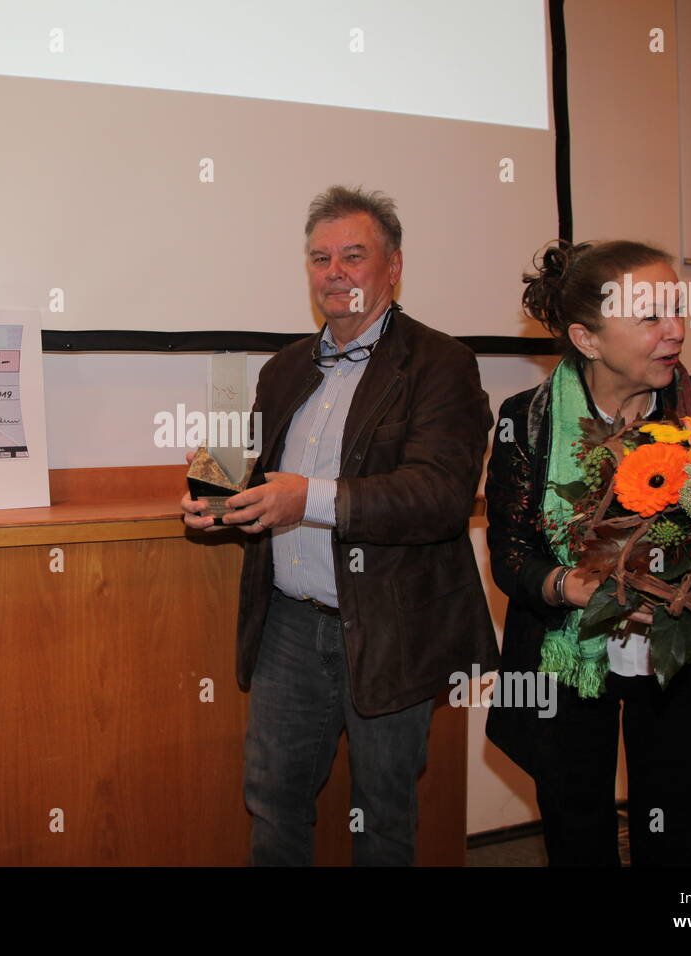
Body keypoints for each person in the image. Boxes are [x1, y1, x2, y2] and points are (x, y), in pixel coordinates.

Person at [180, 185, 497, 865]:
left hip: (391, 628)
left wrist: (307, 499)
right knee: (273, 800)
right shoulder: (283, 367)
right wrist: (211, 499)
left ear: (394, 267)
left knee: (382, 815)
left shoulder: (442, 364)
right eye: (320, 258)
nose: (335, 272)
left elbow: (439, 495)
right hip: (288, 628)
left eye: (353, 256)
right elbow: (248, 472)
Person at [484, 239, 691, 866]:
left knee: (679, 828)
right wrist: (569, 587)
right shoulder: (529, 420)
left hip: (678, 653)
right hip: (567, 658)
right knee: (577, 829)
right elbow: (512, 555)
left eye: (677, 310)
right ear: (588, 337)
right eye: (650, 316)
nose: (676, 330)